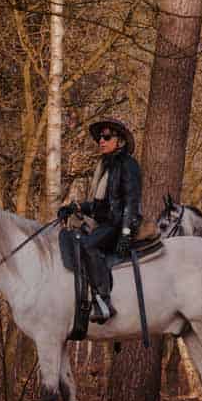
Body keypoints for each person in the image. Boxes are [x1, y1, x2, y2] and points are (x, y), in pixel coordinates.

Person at [58, 118, 143, 321]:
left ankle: (103, 301)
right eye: (100, 138)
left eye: (106, 137)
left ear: (120, 141)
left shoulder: (128, 165)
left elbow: (131, 203)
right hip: (106, 223)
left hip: (120, 224)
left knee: (88, 245)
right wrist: (74, 207)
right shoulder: (105, 167)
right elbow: (99, 205)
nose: (101, 142)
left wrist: (125, 233)